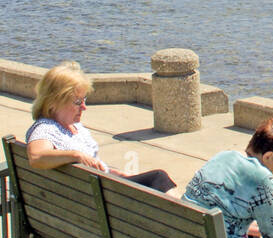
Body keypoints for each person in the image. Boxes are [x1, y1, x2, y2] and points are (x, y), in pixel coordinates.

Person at [26, 61, 176, 193]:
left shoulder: (74, 127)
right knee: (159, 178)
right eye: (77, 102)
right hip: (98, 201)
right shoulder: (46, 128)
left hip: (94, 195)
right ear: (54, 102)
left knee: (154, 182)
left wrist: (117, 174)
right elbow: (36, 157)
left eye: (84, 99)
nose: (84, 107)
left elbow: (96, 168)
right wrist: (75, 155)